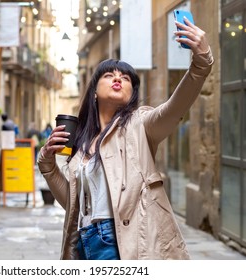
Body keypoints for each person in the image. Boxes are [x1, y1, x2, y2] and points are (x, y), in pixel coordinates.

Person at [37, 18, 213, 259]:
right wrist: (47, 164)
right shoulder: (82, 144)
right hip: (83, 242)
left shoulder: (141, 124)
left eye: (126, 78)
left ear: (131, 93)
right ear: (95, 92)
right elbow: (73, 204)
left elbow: (176, 105)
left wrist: (201, 61)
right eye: (109, 75)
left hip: (121, 242)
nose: (118, 78)